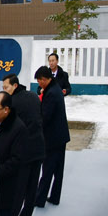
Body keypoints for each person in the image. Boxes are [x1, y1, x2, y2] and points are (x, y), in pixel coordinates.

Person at [3, 74, 45, 216]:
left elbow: (11, 130)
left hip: (24, 153)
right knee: (31, 191)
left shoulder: (12, 103)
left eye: (6, 87)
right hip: (39, 149)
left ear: (14, 85)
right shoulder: (34, 96)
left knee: (18, 192)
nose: (4, 90)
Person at [33, 66, 70, 207]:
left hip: (53, 138)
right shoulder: (55, 89)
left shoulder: (51, 94)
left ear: (44, 79)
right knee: (58, 170)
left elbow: (45, 117)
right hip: (61, 136)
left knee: (48, 169)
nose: (39, 84)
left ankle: (40, 199)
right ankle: (55, 197)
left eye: (39, 80)